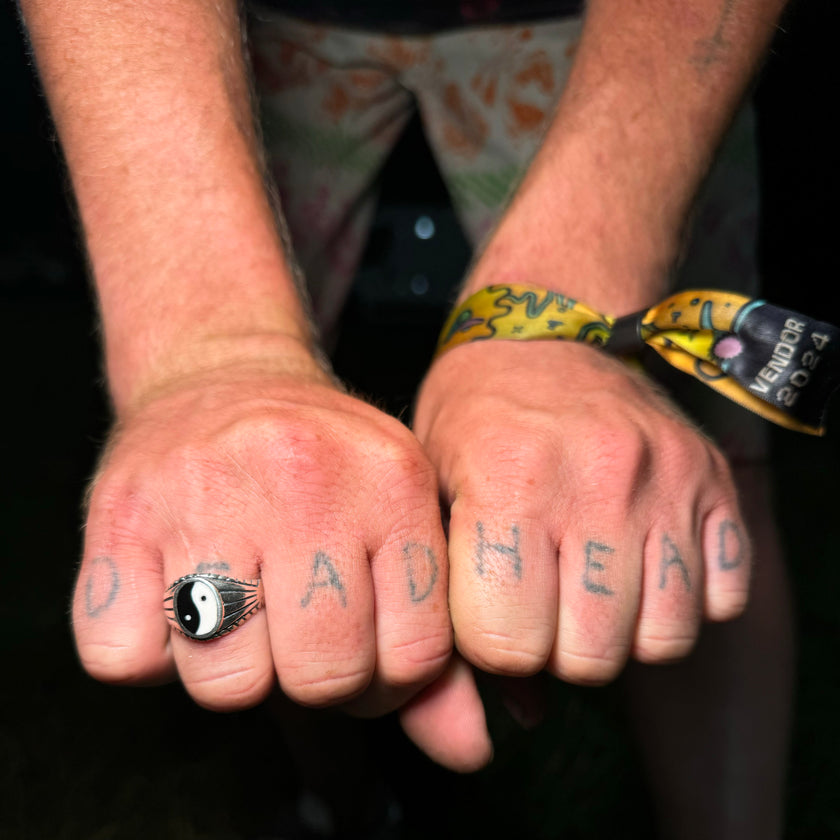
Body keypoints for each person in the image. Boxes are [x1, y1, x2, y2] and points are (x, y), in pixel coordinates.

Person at [19, 0, 793, 836]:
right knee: (266, 494)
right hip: (259, 25)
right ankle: (342, 806)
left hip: (607, 28)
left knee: (669, 462)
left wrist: (576, 302)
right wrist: (205, 349)